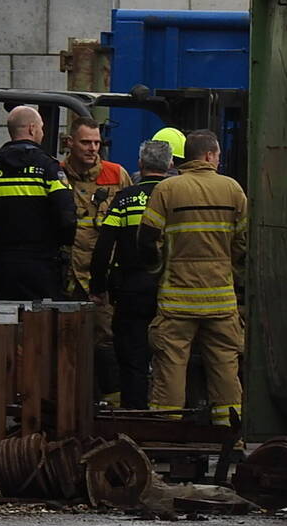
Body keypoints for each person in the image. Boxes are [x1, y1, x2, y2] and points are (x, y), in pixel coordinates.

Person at [140, 130, 247, 426]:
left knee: (171, 366)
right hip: (221, 299)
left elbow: (148, 240)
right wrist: (232, 273)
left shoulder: (167, 189)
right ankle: (230, 433)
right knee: (226, 366)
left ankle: (167, 432)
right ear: (211, 155)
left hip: (177, 299)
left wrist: (158, 269)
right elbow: (244, 244)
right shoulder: (233, 190)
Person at [89, 140, 171, 409]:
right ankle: (167, 415)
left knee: (132, 358)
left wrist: (98, 286)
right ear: (170, 165)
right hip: (170, 291)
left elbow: (103, 248)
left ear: (140, 165)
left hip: (131, 291)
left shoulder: (125, 198)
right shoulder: (176, 195)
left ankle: (135, 419)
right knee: (170, 358)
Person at [62, 116, 131, 404]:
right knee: (65, 345)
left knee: (105, 343)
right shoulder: (56, 174)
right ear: (69, 143)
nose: (93, 149)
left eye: (97, 143)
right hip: (67, 278)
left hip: (102, 279)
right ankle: (69, 406)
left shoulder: (116, 174)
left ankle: (112, 409)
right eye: (86, 142)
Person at [0, 106, 76, 299]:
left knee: (0, 323)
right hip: (41, 267)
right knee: (39, 325)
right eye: (42, 128)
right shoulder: (48, 168)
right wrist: (60, 245)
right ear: (33, 129)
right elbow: (67, 217)